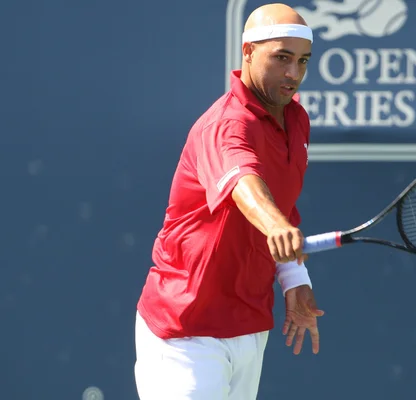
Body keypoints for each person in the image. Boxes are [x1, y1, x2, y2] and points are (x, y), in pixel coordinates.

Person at [133, 3, 324, 399]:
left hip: (249, 324)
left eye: (303, 61)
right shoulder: (226, 124)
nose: (294, 73)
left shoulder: (297, 120)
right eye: (282, 58)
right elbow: (244, 184)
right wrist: (277, 227)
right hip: (186, 331)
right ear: (249, 52)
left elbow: (283, 203)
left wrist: (294, 278)